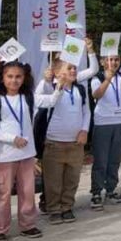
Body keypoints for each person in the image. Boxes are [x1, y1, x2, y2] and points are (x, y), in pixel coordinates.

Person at [0, 61, 41, 241]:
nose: (14, 80)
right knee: (3, 193)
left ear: (24, 78)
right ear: (2, 78)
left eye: (18, 77)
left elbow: (51, 99)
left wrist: (53, 83)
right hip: (6, 155)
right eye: (10, 76)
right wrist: (12, 139)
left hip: (27, 154)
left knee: (27, 191)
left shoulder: (29, 98)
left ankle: (28, 225)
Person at [35, 60, 90, 224]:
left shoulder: (80, 89)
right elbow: (37, 98)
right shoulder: (49, 87)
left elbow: (87, 112)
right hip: (54, 143)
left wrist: (84, 130)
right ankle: (53, 209)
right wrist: (46, 81)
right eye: (69, 68)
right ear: (57, 73)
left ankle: (66, 207)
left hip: (75, 143)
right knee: (53, 180)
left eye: (75, 68)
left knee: (72, 179)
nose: (73, 70)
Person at [89, 54, 121, 208]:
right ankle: (96, 191)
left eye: (116, 60)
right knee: (101, 159)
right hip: (103, 122)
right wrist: (107, 79)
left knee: (115, 158)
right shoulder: (97, 77)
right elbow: (96, 94)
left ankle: (111, 189)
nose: (113, 62)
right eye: (109, 59)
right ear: (102, 62)